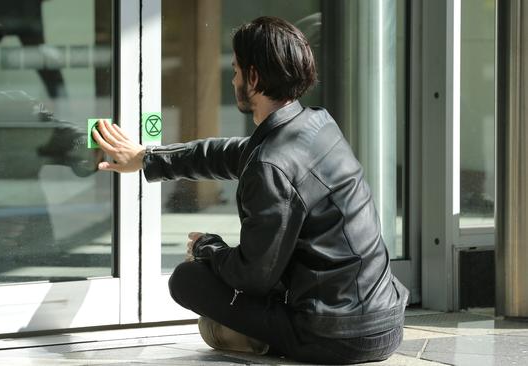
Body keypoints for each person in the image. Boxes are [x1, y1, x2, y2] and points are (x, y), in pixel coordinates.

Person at [91, 16, 408, 365]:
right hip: (385, 324)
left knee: (187, 280)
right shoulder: (317, 125)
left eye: (236, 70)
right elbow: (227, 154)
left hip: (333, 337)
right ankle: (253, 332)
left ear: (253, 78)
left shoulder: (271, 164)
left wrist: (206, 248)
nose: (233, 78)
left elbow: (253, 275)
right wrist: (148, 157)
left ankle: (262, 338)